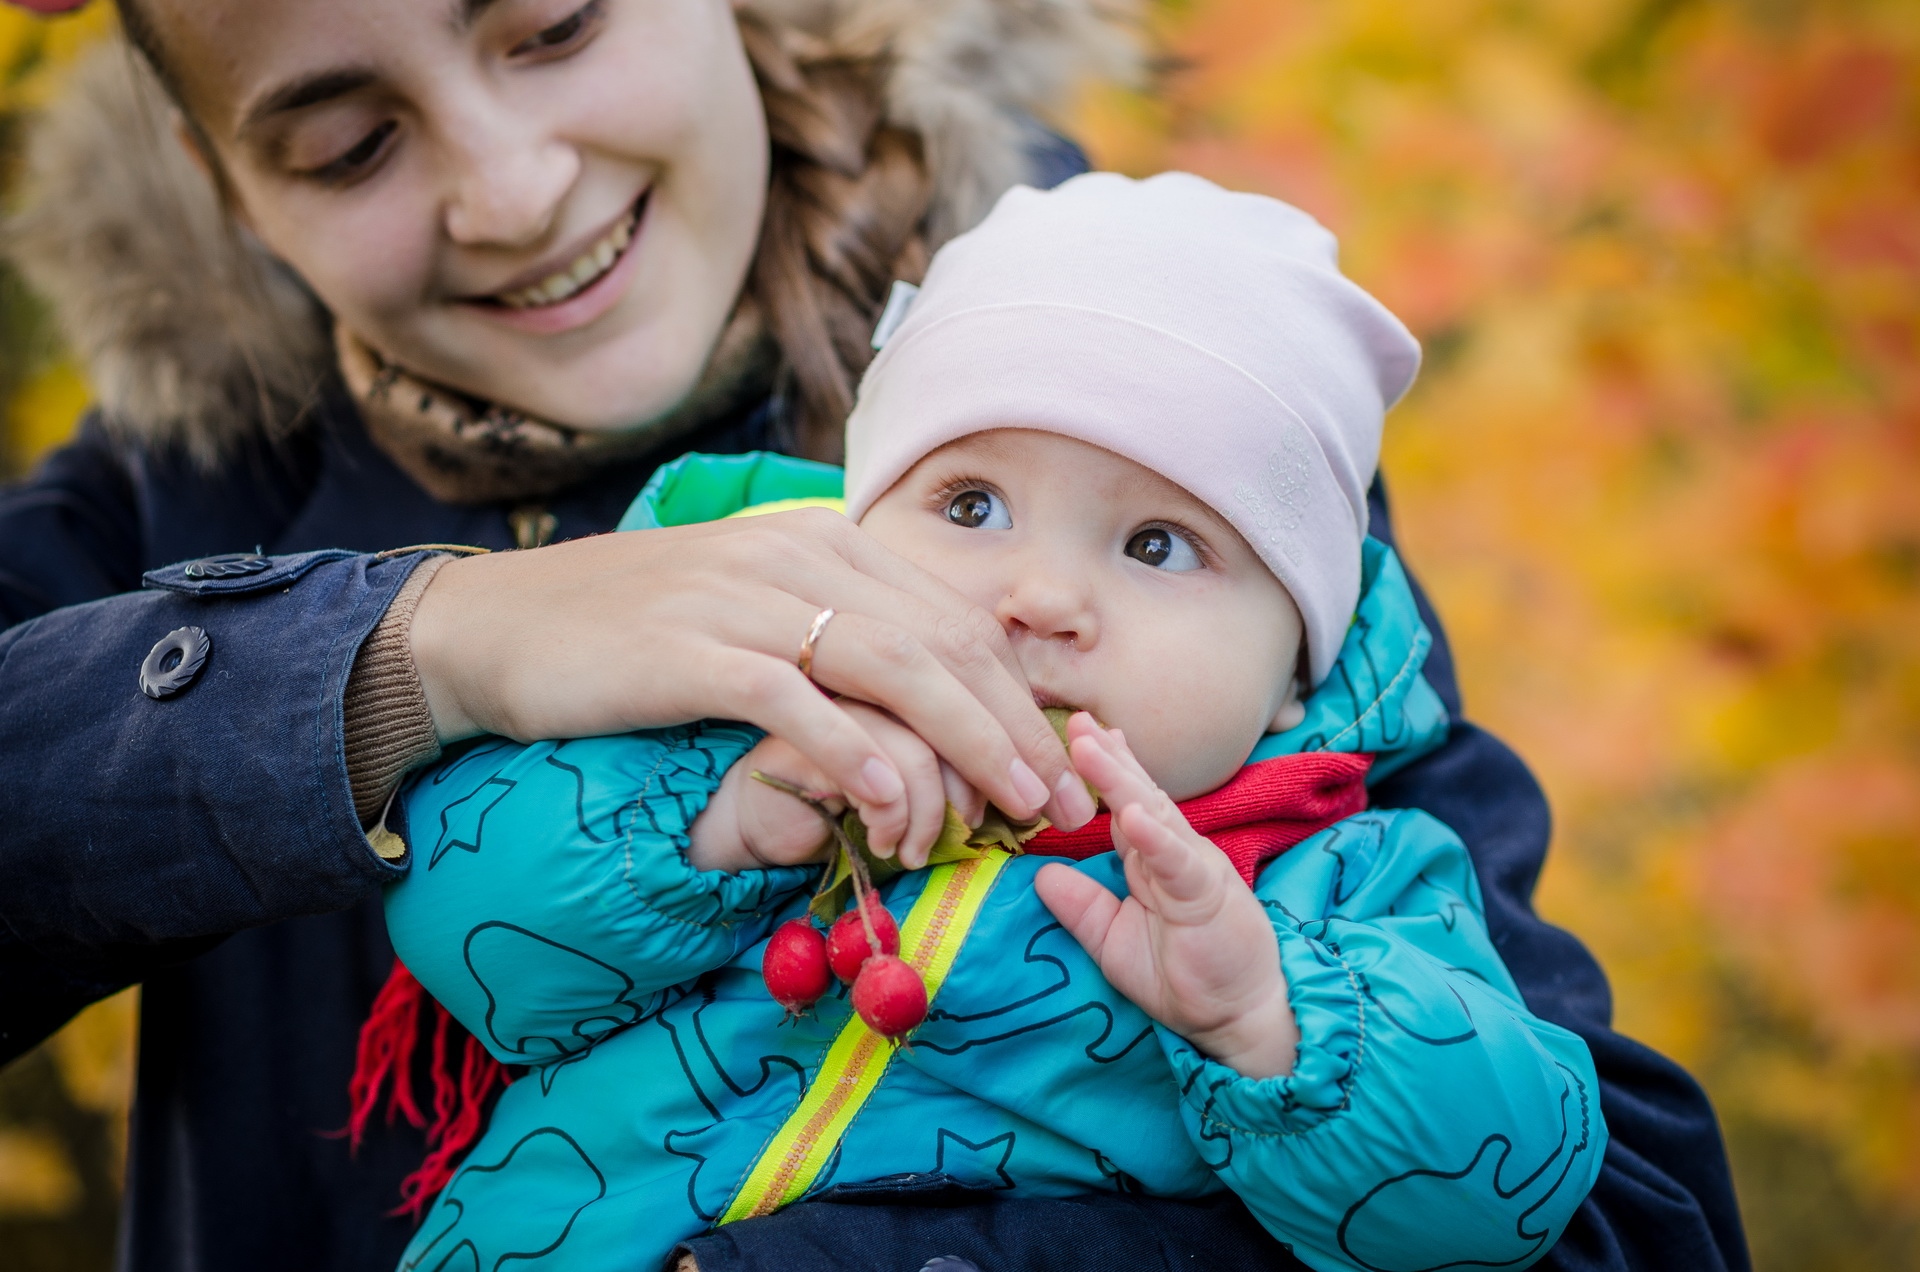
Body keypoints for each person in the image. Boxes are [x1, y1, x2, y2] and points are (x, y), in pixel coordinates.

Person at [0, 1, 1747, 1270]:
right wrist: (413, 656)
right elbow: (494, 936)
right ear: (226, 187)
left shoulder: (1185, 391)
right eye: (346, 144)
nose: (513, 189)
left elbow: (1628, 1217)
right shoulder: (180, 494)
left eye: (554, 25)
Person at [377, 172, 1610, 1272]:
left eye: (1157, 545)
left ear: (1295, 674)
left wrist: (1265, 1017)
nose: (1041, 599)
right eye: (970, 506)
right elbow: (465, 936)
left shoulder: (1337, 883)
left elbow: (1509, 1198)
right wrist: (717, 830)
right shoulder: (731, 715)